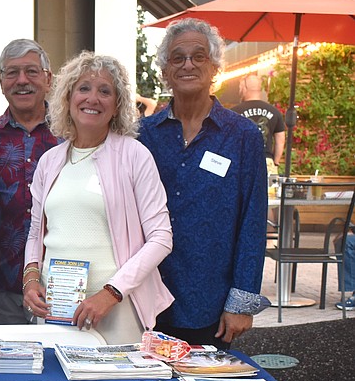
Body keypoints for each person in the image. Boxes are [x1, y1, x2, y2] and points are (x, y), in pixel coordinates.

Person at [21, 52, 173, 344]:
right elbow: (35, 232)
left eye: (105, 91)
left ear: (117, 106)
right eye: (84, 88)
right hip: (58, 306)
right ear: (67, 98)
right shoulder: (50, 161)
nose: (93, 98)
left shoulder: (134, 156)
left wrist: (111, 292)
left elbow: (161, 237)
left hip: (117, 309)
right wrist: (30, 278)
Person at [138, 18, 268, 349]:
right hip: (146, 297)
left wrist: (241, 302)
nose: (188, 65)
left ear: (214, 67)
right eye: (177, 58)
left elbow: (252, 221)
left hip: (210, 302)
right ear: (165, 71)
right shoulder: (142, 135)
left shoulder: (243, 136)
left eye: (199, 56)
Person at [0, 39, 61, 325]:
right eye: (12, 72)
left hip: (63, 284)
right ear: (1, 81)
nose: (22, 81)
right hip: (3, 283)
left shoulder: (73, 134)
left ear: (48, 78)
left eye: (31, 71)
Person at [232, 74, 285, 170]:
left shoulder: (234, 112)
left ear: (244, 88)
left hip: (242, 162)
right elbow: (280, 140)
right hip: (266, 162)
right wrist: (275, 163)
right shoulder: (274, 112)